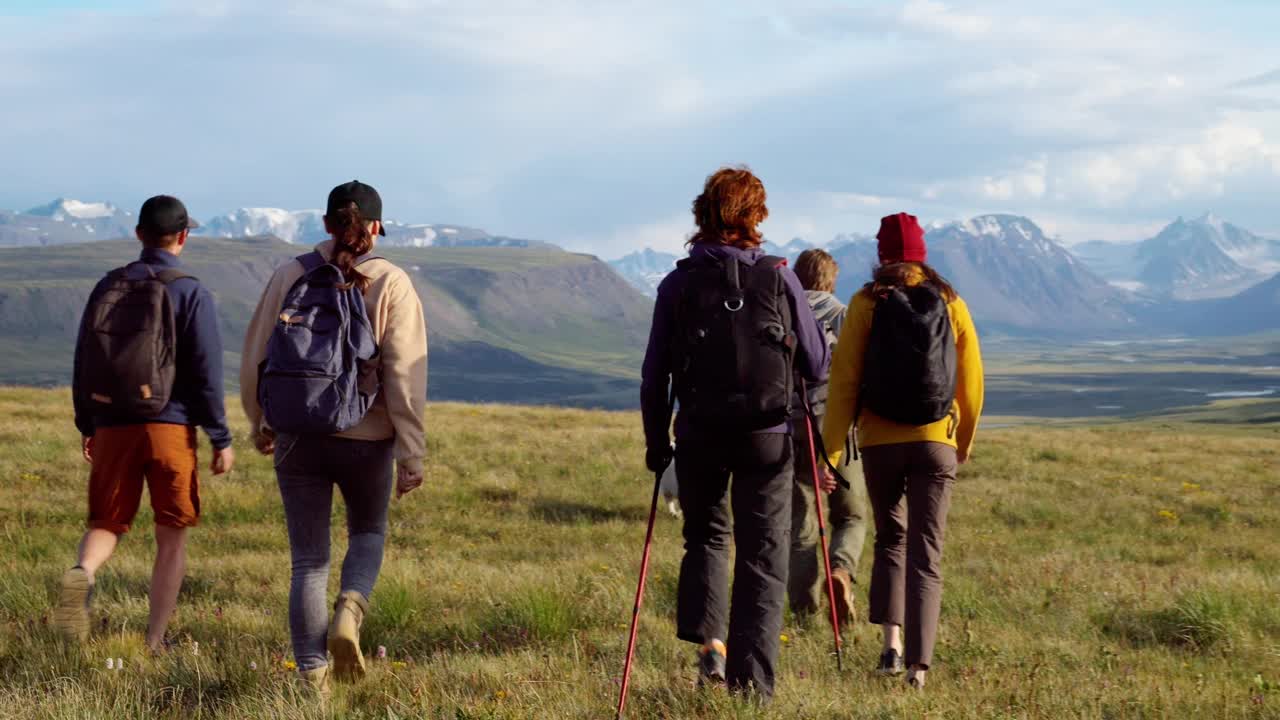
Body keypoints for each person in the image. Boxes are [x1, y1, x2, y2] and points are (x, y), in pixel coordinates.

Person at [640, 167, 831, 701]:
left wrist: (658, 444)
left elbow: (655, 373)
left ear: (703, 212)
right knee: (764, 554)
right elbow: (817, 362)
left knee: (705, 536)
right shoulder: (780, 276)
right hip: (768, 436)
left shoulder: (678, 283)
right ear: (756, 215)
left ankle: (712, 649)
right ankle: (754, 689)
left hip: (699, 431)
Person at [240, 180, 427, 692]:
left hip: (298, 434)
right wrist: (411, 450)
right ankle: (350, 609)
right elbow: (405, 373)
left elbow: (257, 352)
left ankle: (312, 678)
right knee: (367, 532)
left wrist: (260, 421)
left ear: (325, 224)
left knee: (308, 561)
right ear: (376, 227)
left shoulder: (290, 274)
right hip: (368, 437)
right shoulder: (391, 281)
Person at [57, 195, 235, 652]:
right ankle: (155, 640)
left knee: (106, 521)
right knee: (171, 535)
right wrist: (220, 435)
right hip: (170, 427)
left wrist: (88, 424)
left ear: (138, 234)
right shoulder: (189, 289)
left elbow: (83, 359)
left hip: (112, 423)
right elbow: (205, 370)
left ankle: (84, 573)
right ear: (184, 236)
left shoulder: (108, 286)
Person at [821, 212, 984, 690]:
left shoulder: (865, 303)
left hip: (879, 442)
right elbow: (971, 382)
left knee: (891, 538)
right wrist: (963, 441)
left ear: (882, 255)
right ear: (922, 253)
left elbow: (844, 383)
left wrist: (831, 453)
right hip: (936, 441)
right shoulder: (952, 302)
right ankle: (919, 666)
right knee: (926, 551)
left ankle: (890, 647)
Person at [787, 249, 868, 627]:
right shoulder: (843, 314)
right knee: (850, 515)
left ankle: (805, 614)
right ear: (830, 279)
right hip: (836, 427)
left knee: (801, 525)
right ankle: (841, 572)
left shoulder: (781, 312)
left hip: (791, 429)